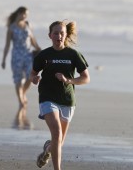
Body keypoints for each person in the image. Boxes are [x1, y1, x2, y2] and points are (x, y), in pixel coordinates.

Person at [30, 20, 90, 170]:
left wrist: (68, 80)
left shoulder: (73, 54)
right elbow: (33, 74)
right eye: (55, 33)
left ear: (66, 35)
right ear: (50, 35)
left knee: (58, 142)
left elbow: (85, 78)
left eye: (62, 33)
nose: (59, 36)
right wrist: (34, 79)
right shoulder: (44, 55)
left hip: (67, 100)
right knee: (56, 133)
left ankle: (47, 149)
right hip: (47, 98)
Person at [1, 6, 41, 129]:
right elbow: (7, 45)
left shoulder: (28, 24)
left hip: (29, 54)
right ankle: (20, 100)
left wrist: (39, 49)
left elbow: (32, 39)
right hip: (17, 56)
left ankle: (22, 93)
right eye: (23, 14)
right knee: (18, 79)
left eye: (26, 14)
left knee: (30, 76)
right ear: (19, 13)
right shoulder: (11, 28)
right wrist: (3, 60)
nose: (25, 16)